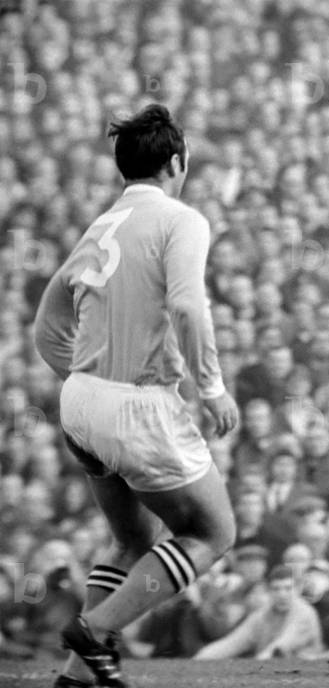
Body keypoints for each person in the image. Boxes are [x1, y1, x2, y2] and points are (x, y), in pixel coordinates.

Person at [32, 104, 239, 687]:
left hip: (80, 401)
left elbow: (47, 322)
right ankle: (95, 632)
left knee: (131, 540)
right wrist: (213, 388)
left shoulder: (101, 223)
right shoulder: (182, 219)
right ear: (178, 161)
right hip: (138, 405)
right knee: (211, 533)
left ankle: (77, 675)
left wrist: (80, 377)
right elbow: (187, 305)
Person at [194, 564, 323, 659]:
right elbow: (233, 642)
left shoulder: (305, 613)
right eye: (276, 589)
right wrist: (200, 658)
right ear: (269, 591)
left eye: (288, 588)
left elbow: (281, 646)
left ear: (298, 589)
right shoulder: (263, 614)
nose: (282, 594)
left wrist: (260, 660)